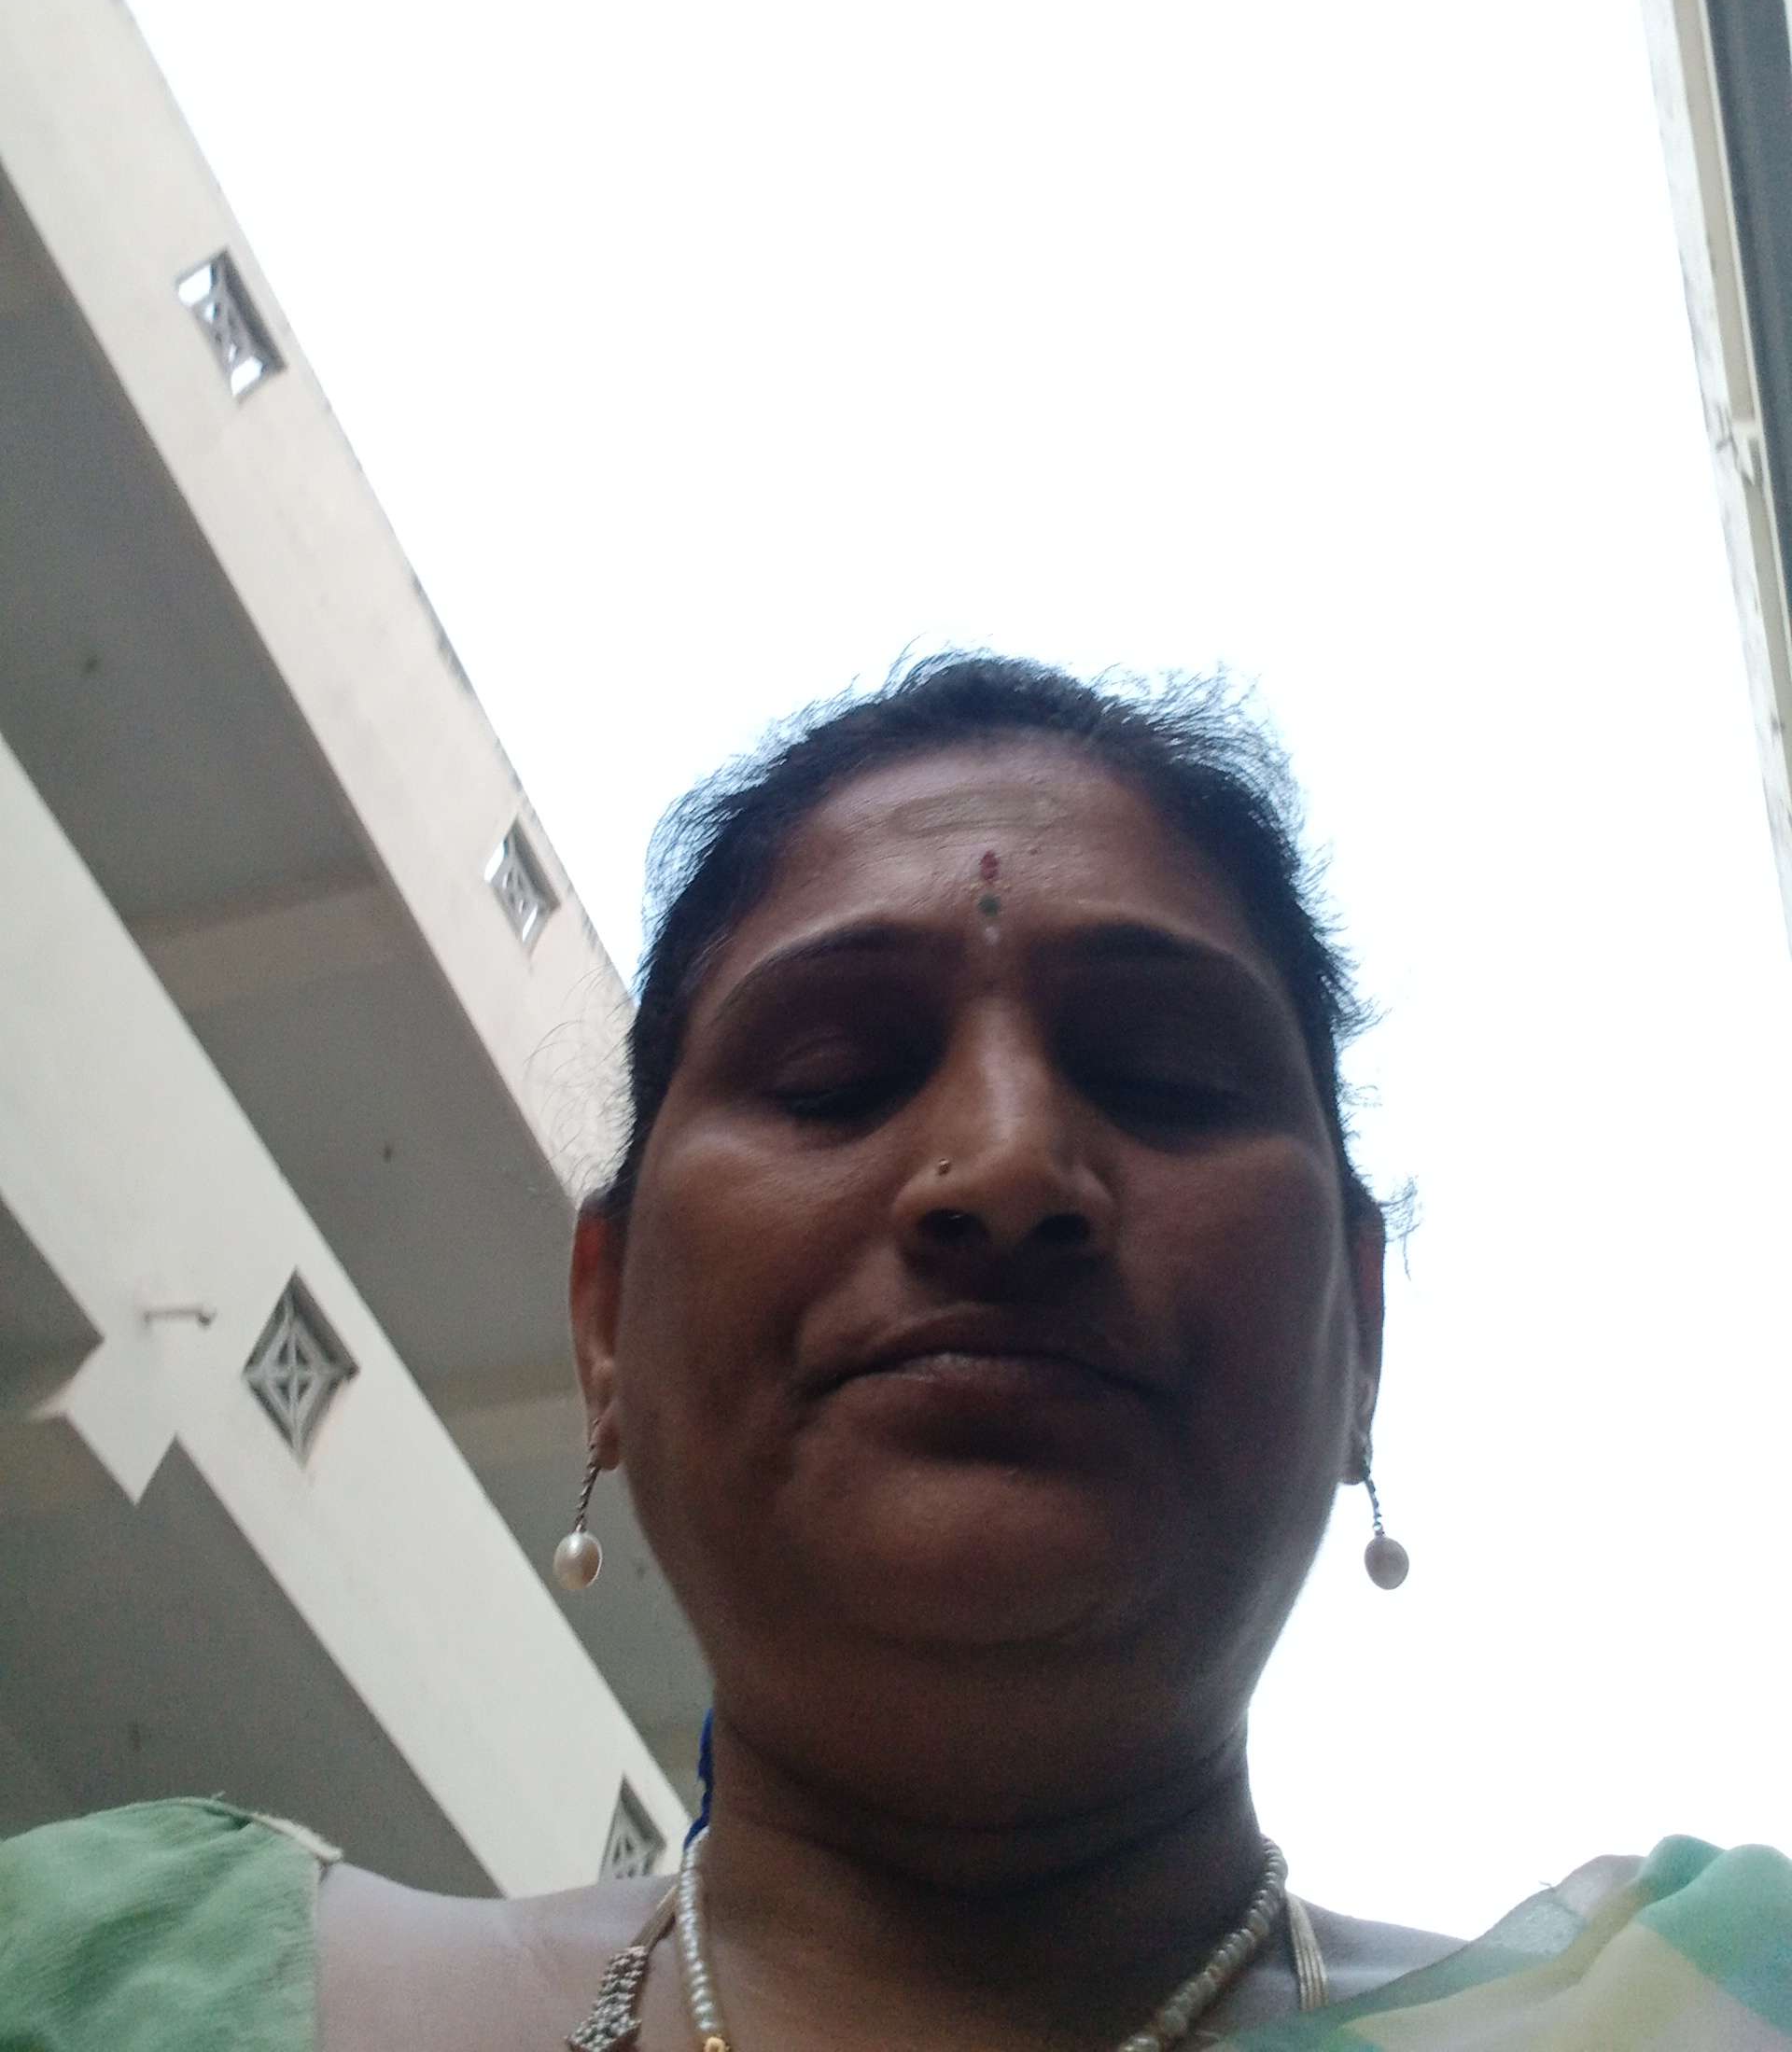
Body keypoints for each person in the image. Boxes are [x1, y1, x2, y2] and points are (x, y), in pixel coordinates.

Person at [5, 655, 1788, 2051]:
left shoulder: (1713, 2013)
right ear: (604, 1325)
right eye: (832, 1078)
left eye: (1165, 1078)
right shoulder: (99, 1985)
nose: (1007, 1167)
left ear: (1362, 1325)